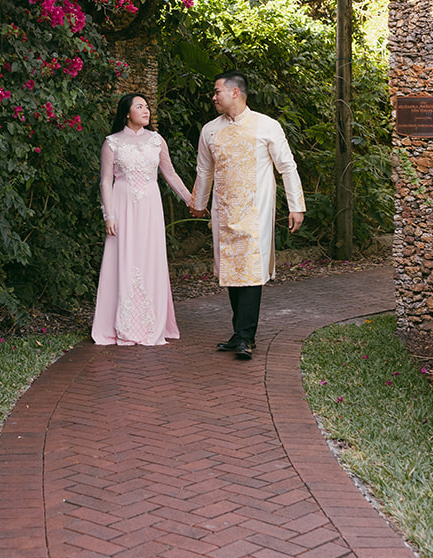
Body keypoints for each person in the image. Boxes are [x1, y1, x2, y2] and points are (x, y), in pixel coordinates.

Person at [192, 70, 305, 360]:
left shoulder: (267, 126)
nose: (213, 97)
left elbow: (287, 167)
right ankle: (239, 332)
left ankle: (246, 337)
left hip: (256, 211)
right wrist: (199, 202)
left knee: (251, 271)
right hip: (224, 210)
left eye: (217, 91)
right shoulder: (210, 130)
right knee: (231, 271)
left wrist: (296, 206)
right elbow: (204, 170)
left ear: (235, 92)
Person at [91, 92, 193, 346]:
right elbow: (105, 180)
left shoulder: (156, 141)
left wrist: (193, 201)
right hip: (122, 206)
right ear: (127, 112)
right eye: (140, 106)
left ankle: (151, 322)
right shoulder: (112, 143)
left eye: (147, 107)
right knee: (122, 259)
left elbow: (170, 175)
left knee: (150, 259)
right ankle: (120, 324)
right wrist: (109, 214)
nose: (146, 110)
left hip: (150, 207)